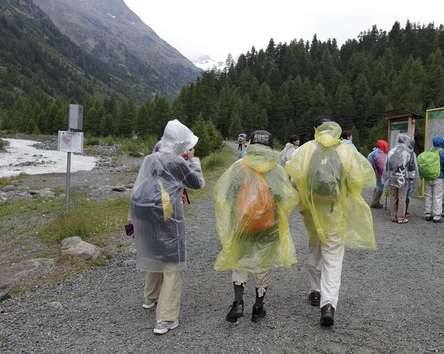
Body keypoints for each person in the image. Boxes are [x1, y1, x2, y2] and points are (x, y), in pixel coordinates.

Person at [285, 116, 376, 327]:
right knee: (333, 257)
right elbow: (356, 180)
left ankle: (315, 291)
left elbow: (292, 180)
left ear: (315, 128)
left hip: (311, 211)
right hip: (335, 212)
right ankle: (328, 305)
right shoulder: (345, 150)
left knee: (315, 248)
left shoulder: (305, 149)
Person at [213, 130, 299, 323]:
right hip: (269, 225)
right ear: (270, 147)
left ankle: (238, 302)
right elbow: (287, 196)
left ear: (250, 144)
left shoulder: (238, 166)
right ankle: (258, 307)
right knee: (264, 263)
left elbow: (224, 195)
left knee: (240, 261)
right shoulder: (276, 169)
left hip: (243, 224)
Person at [129, 119, 205, 335]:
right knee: (172, 263)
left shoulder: (150, 158)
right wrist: (193, 160)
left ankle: (149, 297)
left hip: (146, 214)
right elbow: (197, 183)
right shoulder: (176, 162)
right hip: (168, 216)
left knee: (155, 253)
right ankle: (166, 318)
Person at [385, 133, 416, 223]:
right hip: (403, 177)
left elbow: (387, 166)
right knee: (402, 197)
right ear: (405, 140)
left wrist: (387, 177)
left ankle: (393, 216)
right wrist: (412, 178)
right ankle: (401, 218)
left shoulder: (391, 152)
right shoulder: (408, 152)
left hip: (392, 176)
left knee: (393, 196)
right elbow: (411, 166)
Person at [423, 136, 444, 223]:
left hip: (428, 177)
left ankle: (428, 213)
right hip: (438, 177)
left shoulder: (429, 152)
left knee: (428, 195)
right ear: (442, 143)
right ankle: (437, 215)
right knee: (437, 196)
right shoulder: (443, 153)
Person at [367, 139, 389, 209]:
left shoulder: (372, 153)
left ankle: (374, 200)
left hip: (373, 172)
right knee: (380, 187)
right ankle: (375, 202)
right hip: (379, 173)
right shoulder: (380, 154)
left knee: (377, 186)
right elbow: (382, 166)